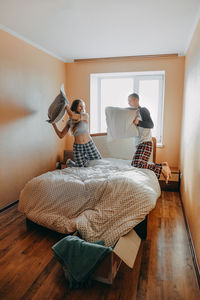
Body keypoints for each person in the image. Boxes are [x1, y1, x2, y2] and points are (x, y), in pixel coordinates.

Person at [128, 93, 171, 183]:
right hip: (139, 143)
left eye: (130, 100)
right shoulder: (132, 113)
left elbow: (151, 124)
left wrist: (138, 122)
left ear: (136, 100)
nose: (128, 103)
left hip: (146, 142)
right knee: (135, 164)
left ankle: (162, 167)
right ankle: (162, 165)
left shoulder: (143, 110)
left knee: (136, 164)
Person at [52, 99, 102, 167]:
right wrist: (53, 124)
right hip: (78, 147)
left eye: (83, 106)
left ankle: (70, 163)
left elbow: (72, 116)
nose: (82, 108)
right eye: (80, 106)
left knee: (99, 163)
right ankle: (69, 163)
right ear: (75, 107)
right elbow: (61, 135)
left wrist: (66, 106)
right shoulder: (70, 122)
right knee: (80, 168)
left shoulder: (85, 116)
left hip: (89, 144)